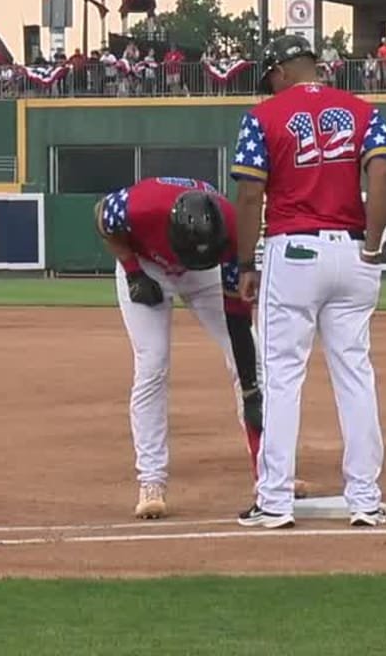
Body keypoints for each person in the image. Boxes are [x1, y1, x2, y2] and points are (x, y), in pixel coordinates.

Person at [230, 34, 386, 529]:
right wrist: (373, 241)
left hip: (295, 249)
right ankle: (364, 499)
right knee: (355, 376)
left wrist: (245, 264)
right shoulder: (364, 110)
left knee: (282, 377)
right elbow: (382, 175)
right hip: (353, 250)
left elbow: (248, 195)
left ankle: (275, 501)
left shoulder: (264, 115)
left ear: (281, 71)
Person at [96, 177, 276, 519]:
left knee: (251, 357)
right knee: (152, 365)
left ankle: (269, 474)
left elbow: (237, 324)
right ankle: (151, 481)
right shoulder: (140, 206)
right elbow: (101, 217)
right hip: (148, 264)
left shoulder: (234, 235)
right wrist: (134, 272)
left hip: (205, 277)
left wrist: (252, 391)